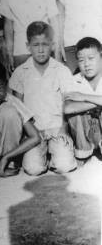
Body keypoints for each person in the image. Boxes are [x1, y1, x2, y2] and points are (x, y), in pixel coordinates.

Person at [9, 21, 77, 175]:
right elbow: (18, 107)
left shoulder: (61, 70)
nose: (40, 50)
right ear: (28, 46)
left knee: (64, 166)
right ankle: (42, 156)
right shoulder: (21, 72)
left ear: (52, 45)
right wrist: (30, 133)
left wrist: (63, 129)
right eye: (35, 45)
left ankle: (55, 154)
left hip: (57, 128)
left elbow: (68, 104)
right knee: (33, 169)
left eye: (45, 45)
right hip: (34, 132)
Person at [64, 37, 102, 164]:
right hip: (84, 130)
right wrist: (98, 102)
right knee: (74, 114)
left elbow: (78, 101)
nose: (86, 64)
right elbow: (67, 108)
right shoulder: (73, 80)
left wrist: (84, 97)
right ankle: (84, 151)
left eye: (91, 58)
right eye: (81, 60)